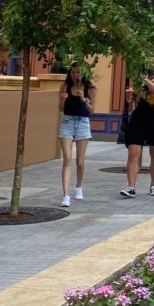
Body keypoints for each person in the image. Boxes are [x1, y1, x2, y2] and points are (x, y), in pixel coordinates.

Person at [121, 68, 154, 198]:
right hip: (137, 119)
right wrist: (130, 100)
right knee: (133, 153)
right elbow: (133, 104)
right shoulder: (139, 79)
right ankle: (131, 187)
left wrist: (146, 81)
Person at [58, 63, 95, 207]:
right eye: (73, 72)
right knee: (67, 158)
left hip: (82, 123)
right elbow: (60, 108)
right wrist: (63, 100)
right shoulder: (65, 86)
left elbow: (92, 110)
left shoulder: (89, 88)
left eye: (78, 72)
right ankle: (65, 195)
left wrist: (84, 99)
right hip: (67, 121)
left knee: (80, 161)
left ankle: (78, 187)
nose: (75, 75)